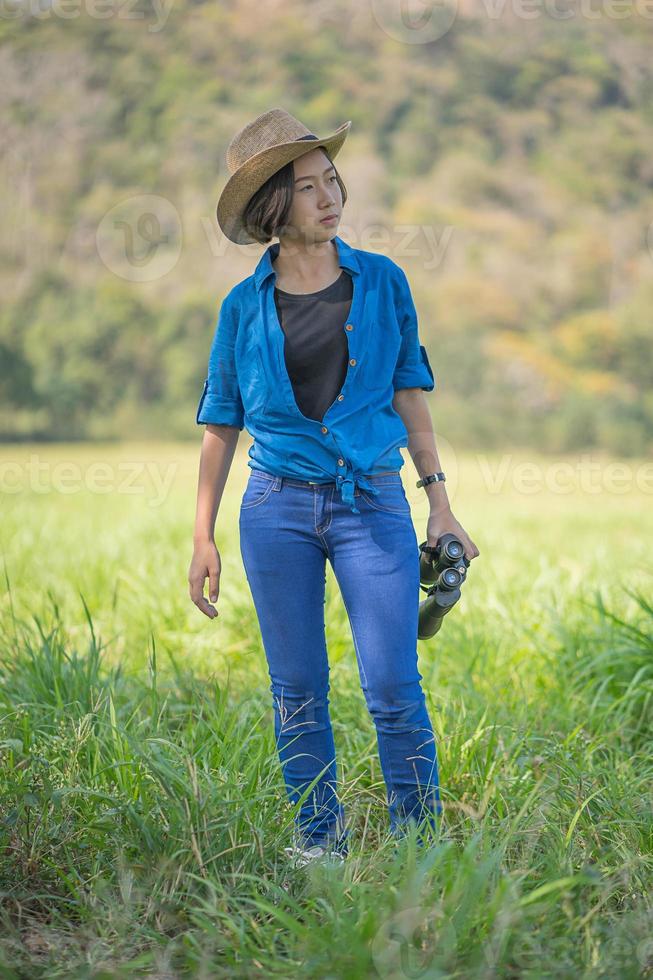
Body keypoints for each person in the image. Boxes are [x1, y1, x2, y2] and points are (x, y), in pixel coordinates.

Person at [188, 108, 480, 865]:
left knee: (391, 684)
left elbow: (410, 391)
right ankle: (319, 842)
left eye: (331, 182)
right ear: (271, 210)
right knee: (296, 689)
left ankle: (418, 845)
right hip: (274, 509)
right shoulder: (241, 306)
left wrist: (439, 501)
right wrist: (201, 536)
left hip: (371, 502)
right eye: (308, 188)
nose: (329, 199)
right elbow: (221, 422)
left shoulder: (382, 282)